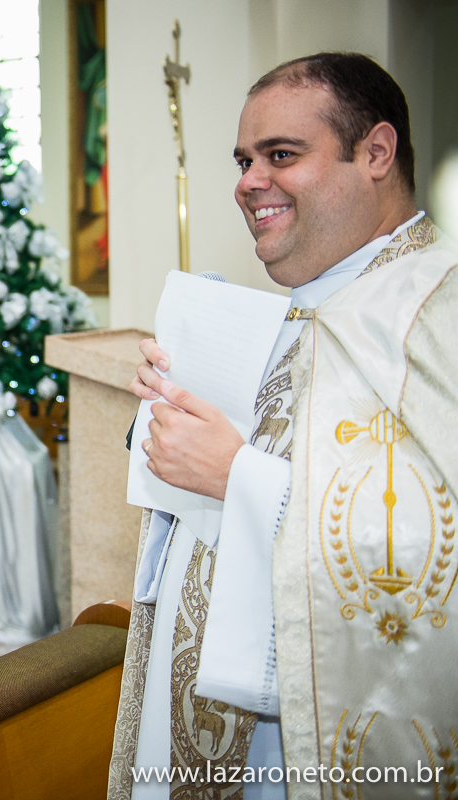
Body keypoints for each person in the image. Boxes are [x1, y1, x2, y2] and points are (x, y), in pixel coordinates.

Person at [110, 53, 457, 799]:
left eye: (280, 155)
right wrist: (161, 422)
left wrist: (235, 477)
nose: (247, 181)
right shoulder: (300, 305)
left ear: (374, 152)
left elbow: (434, 553)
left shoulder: (437, 309)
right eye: (243, 159)